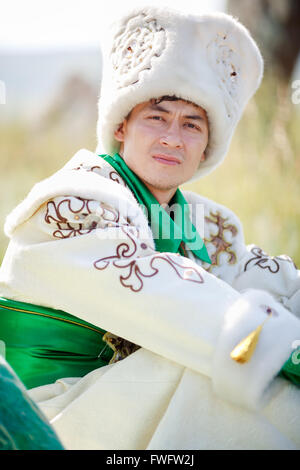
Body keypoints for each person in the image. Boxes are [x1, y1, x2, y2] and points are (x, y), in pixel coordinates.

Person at [0, 6, 299, 450]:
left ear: (206, 148)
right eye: (156, 117)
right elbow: (180, 304)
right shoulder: (74, 204)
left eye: (192, 124)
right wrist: (284, 349)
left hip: (122, 402)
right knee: (225, 375)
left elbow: (267, 279)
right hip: (54, 416)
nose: (172, 138)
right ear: (121, 126)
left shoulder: (202, 223)